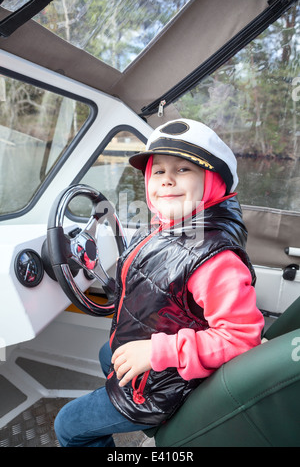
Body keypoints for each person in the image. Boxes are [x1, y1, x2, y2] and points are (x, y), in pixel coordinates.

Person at [54, 119, 264, 447]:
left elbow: (241, 339)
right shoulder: (167, 225)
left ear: (212, 182)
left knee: (69, 425)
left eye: (183, 170)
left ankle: (132, 409)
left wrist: (155, 351)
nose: (167, 179)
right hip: (157, 356)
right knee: (107, 353)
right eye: (158, 171)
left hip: (169, 383)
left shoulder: (215, 258)